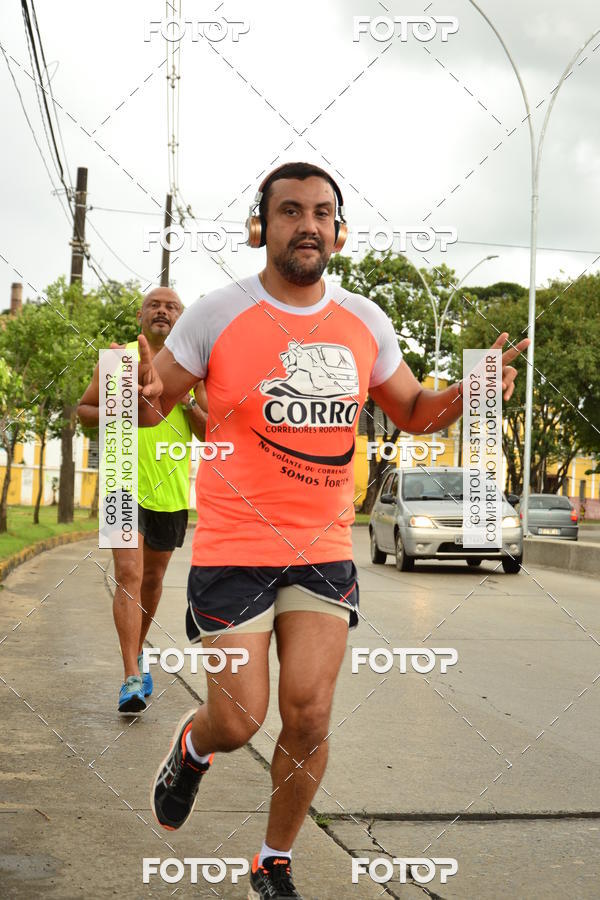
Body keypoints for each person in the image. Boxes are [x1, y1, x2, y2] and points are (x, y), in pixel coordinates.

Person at [134, 162, 529, 898]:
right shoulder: (215, 313)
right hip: (233, 547)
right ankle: (194, 745)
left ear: (338, 231)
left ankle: (273, 859)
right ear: (263, 226)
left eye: (321, 212)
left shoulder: (365, 320)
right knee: (240, 718)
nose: (307, 224)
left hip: (319, 549)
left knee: (309, 714)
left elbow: (414, 410)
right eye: (290, 211)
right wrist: (143, 397)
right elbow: (158, 404)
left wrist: (468, 392)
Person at [77, 287, 207, 714]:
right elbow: (84, 410)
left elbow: (211, 433)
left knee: (151, 582)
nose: (163, 312)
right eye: (155, 305)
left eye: (172, 307)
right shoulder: (117, 360)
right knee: (129, 574)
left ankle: (138, 655)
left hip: (169, 490)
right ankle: (131, 674)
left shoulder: (196, 368)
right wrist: (119, 405)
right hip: (121, 479)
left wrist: (186, 401)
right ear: (141, 315)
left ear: (182, 317)